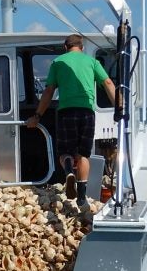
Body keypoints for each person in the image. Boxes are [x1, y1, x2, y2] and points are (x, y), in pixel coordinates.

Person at [27, 33, 116, 210]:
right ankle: (82, 197)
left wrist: (37, 116)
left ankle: (68, 171)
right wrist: (120, 109)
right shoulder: (92, 62)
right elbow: (107, 82)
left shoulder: (58, 62)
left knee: (65, 153)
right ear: (81, 48)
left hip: (66, 111)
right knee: (83, 155)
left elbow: (49, 91)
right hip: (87, 112)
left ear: (65, 47)